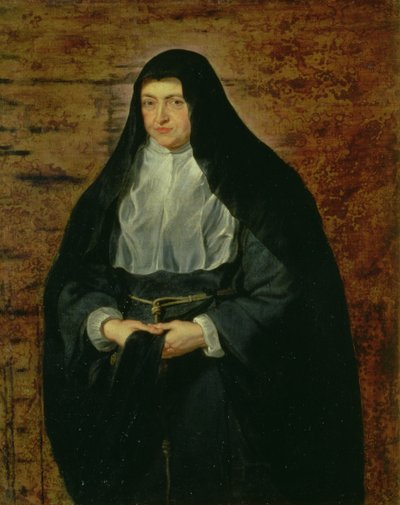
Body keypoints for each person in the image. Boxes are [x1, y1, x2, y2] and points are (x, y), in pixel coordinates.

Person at [43, 49, 364, 505]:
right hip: (130, 363)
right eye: (149, 103)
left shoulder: (259, 183)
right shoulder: (115, 184)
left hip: (220, 369)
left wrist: (204, 331)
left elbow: (287, 290)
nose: (160, 117)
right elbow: (74, 282)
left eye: (175, 102)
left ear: (202, 103)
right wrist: (111, 326)